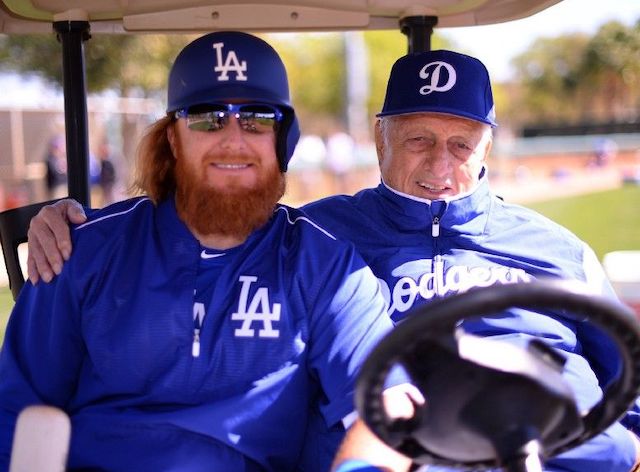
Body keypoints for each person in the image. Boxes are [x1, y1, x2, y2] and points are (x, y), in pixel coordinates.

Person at [23, 50, 640, 471]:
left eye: (461, 145)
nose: (440, 167)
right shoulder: (317, 236)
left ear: (487, 147)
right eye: (418, 141)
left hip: (555, 444)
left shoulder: (557, 248)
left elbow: (629, 388)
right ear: (380, 138)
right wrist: (71, 218)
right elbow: (208, 208)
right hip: (406, 442)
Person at [0, 31, 398, 472]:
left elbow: (385, 407)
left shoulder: (324, 266)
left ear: (282, 140)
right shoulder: (81, 250)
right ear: (173, 139)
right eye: (208, 117)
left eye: (257, 118)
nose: (233, 139)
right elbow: (14, 410)